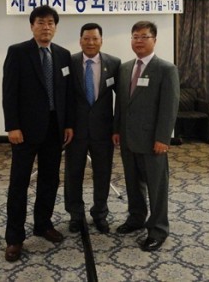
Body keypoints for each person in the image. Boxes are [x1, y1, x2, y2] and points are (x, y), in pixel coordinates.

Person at [2, 5, 74, 262]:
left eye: (51, 23)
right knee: (19, 184)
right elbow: (9, 92)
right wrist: (12, 126)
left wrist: (68, 124)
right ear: (32, 26)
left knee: (49, 180)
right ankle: (14, 238)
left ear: (56, 27)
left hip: (54, 129)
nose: (46, 27)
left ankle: (43, 224)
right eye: (41, 22)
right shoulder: (18, 52)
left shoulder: (63, 55)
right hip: (24, 131)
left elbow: (66, 94)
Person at [112, 20, 180, 252]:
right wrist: (117, 129)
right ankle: (136, 218)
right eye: (135, 37)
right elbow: (122, 104)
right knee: (133, 184)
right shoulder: (125, 68)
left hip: (153, 141)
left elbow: (169, 107)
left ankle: (158, 229)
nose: (138, 41)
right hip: (128, 139)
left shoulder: (166, 69)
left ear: (154, 40)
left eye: (144, 37)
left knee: (156, 187)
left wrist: (163, 138)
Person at [64, 23, 120, 234]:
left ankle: (100, 214)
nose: (90, 43)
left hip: (103, 131)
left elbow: (121, 100)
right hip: (75, 131)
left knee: (103, 174)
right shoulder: (70, 62)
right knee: (73, 174)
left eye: (95, 39)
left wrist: (117, 128)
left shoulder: (114, 63)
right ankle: (76, 215)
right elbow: (64, 96)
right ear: (80, 40)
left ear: (101, 40)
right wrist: (66, 125)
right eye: (86, 39)